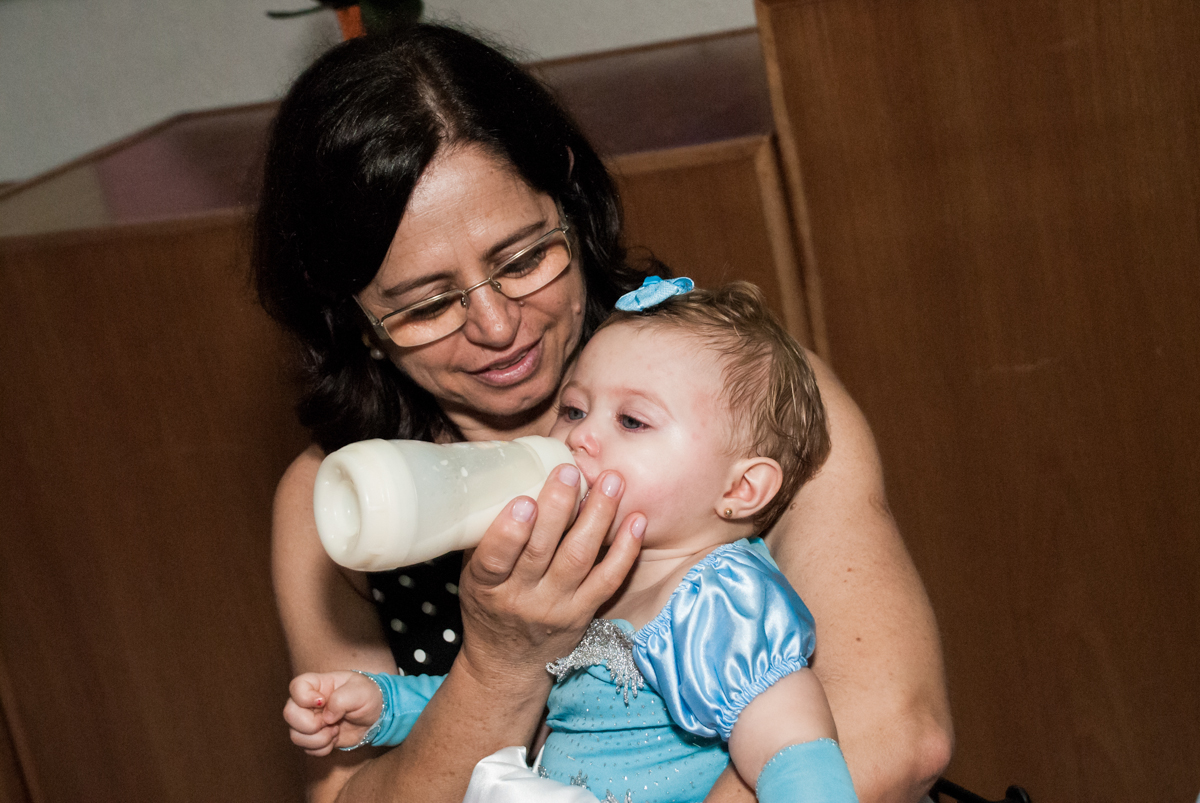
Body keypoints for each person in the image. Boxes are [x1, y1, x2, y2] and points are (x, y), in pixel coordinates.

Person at [253, 21, 952, 803]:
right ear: (352, 318)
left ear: (568, 195)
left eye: (523, 258)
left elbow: (894, 728)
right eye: (426, 306)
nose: (495, 325)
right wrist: (499, 666)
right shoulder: (339, 504)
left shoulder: (736, 400)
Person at [284, 281, 861, 803]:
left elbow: (797, 756)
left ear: (741, 487)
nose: (581, 436)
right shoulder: (574, 578)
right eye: (574, 408)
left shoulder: (716, 600)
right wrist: (385, 706)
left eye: (631, 421)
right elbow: (517, 707)